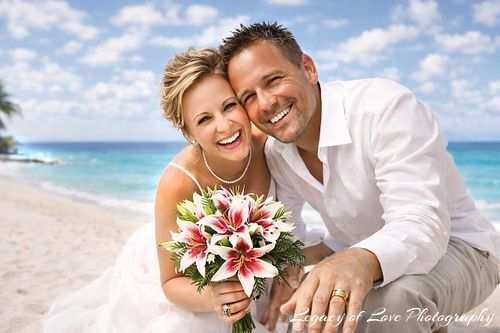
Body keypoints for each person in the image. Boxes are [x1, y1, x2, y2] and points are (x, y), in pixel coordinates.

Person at [219, 22, 500, 333]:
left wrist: (360, 258)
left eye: (273, 80)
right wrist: (289, 267)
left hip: (461, 247)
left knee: (393, 301)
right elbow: (292, 232)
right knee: (305, 304)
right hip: (363, 248)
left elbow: (423, 222)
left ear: (308, 69)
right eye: (248, 97)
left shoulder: (385, 108)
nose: (266, 102)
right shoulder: (277, 153)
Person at [43, 47, 328, 333]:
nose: (225, 125)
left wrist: (287, 269)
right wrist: (216, 298)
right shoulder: (178, 182)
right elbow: (171, 283)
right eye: (204, 119)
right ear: (189, 133)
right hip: (196, 278)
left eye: (229, 106)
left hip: (256, 269)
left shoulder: (267, 140)